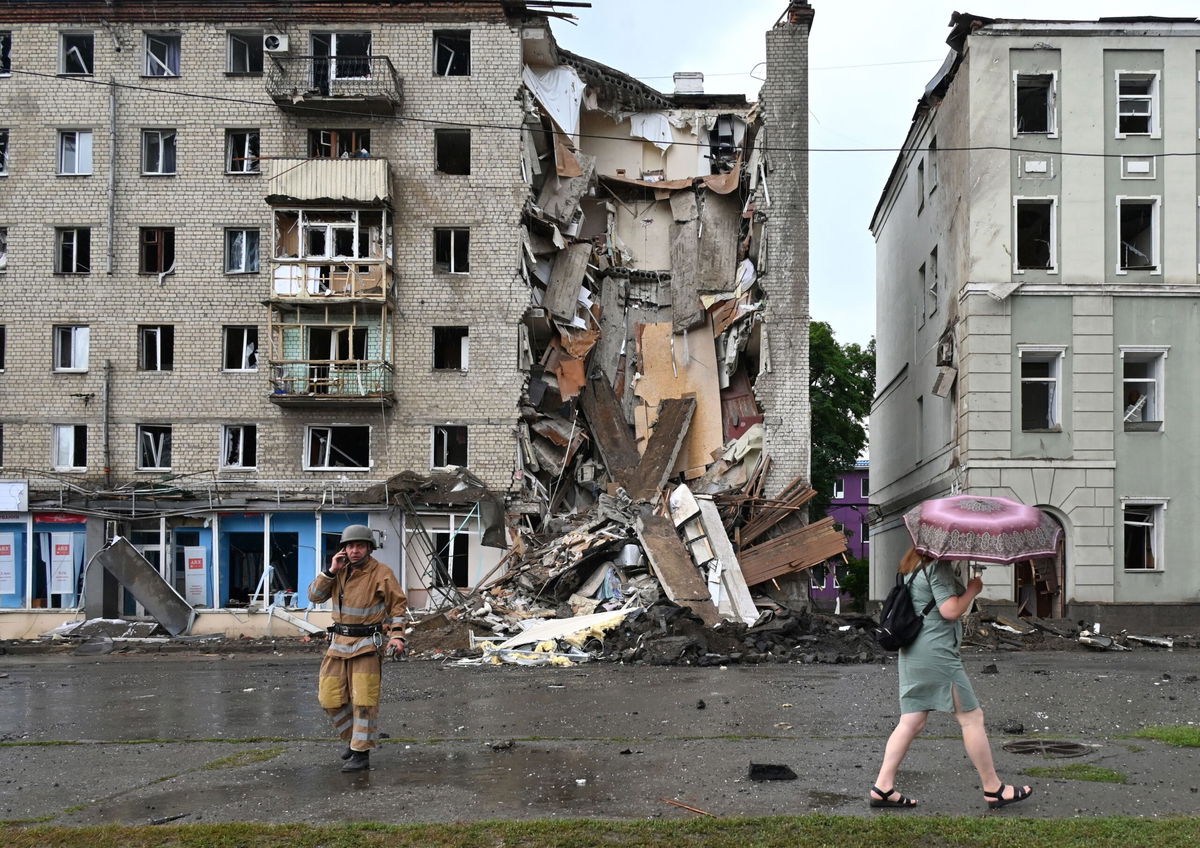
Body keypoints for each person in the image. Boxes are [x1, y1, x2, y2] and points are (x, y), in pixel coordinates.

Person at [869, 547, 1033, 810]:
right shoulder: (938, 566)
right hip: (936, 654)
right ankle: (994, 788)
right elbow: (950, 611)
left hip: (912, 652)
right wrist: (972, 590)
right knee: (971, 718)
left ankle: (883, 787)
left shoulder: (912, 566)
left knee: (912, 720)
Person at [307, 524, 408, 772]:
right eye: (350, 546)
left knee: (364, 701)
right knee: (329, 698)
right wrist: (330, 571)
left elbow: (397, 607)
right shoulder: (338, 571)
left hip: (366, 645)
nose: (354, 551)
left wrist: (397, 637)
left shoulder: (382, 573)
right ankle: (354, 742)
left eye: (359, 546)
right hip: (338, 645)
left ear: (369, 548)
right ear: (343, 549)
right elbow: (314, 596)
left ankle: (361, 755)